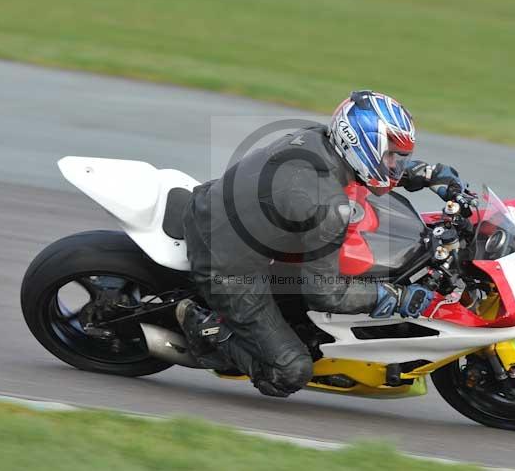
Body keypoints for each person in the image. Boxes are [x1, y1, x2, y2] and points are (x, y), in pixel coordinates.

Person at [177, 90, 465, 397]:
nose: (394, 164)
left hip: (222, 210)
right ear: (361, 145)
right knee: (289, 372)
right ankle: (206, 328)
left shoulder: (320, 141)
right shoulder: (326, 206)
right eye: (390, 155)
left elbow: (372, 169)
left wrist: (425, 174)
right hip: (225, 262)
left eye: (398, 157)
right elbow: (325, 294)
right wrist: (395, 296)